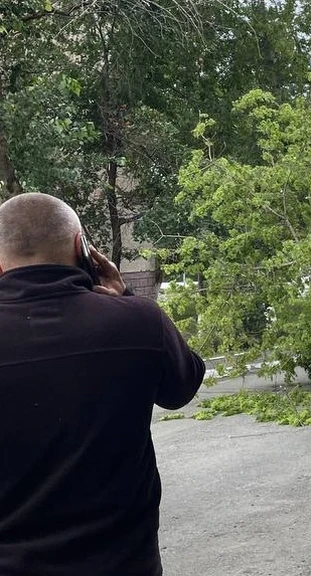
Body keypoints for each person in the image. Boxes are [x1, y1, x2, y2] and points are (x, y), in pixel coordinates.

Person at [0, 193, 205, 575]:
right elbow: (184, 387)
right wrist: (126, 296)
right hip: (125, 564)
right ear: (83, 250)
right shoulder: (138, 322)